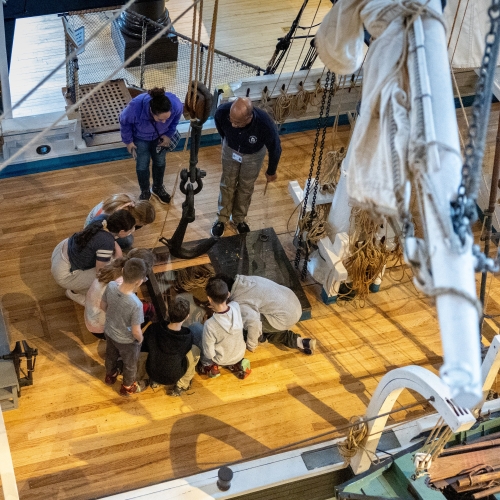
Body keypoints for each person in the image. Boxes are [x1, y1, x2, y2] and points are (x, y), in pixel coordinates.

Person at [211, 97, 282, 237]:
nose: (232, 124)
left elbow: (275, 148)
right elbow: (221, 128)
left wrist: (271, 170)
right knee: (227, 183)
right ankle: (222, 218)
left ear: (249, 117)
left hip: (253, 156)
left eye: (237, 122)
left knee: (246, 187)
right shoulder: (222, 112)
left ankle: (239, 219)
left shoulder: (264, 123)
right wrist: (228, 140)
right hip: (230, 150)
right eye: (231, 119)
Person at [216, 273, 317, 355]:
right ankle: (300, 342)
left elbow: (253, 324)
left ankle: (262, 337)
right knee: (261, 320)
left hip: (284, 317)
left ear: (228, 295)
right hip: (292, 302)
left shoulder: (240, 302)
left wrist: (251, 345)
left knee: (241, 322)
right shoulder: (244, 281)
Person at [51, 210, 136, 306]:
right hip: (63, 273)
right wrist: (118, 258)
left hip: (61, 249)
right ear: (121, 232)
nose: (130, 233)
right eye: (129, 231)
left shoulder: (103, 219)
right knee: (108, 276)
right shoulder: (106, 242)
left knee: (109, 262)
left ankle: (79, 288)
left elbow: (104, 241)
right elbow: (101, 272)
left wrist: (117, 249)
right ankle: (75, 293)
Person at [119, 87, 183, 203]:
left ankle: (158, 188)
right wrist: (128, 142)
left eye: (166, 118)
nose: (164, 122)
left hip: (161, 137)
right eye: (160, 119)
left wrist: (168, 134)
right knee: (142, 164)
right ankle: (145, 191)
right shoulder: (135, 107)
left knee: (160, 161)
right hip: (140, 138)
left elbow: (175, 121)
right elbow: (124, 122)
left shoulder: (176, 105)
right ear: (151, 112)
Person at [101, 258, 148, 397]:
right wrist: (140, 339)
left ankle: (110, 374)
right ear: (139, 282)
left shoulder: (110, 286)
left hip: (109, 331)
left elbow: (102, 306)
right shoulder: (136, 305)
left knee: (110, 355)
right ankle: (127, 386)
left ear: (122, 271)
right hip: (126, 341)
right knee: (130, 364)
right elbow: (136, 331)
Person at [84, 249, 155, 340]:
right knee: (149, 310)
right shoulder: (120, 288)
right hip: (99, 327)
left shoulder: (115, 265)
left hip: (91, 315)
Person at [140, 296, 200, 397]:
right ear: (187, 317)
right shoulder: (187, 336)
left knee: (147, 350)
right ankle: (182, 385)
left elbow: (144, 347)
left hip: (152, 371)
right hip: (175, 376)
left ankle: (152, 380)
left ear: (167, 312)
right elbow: (183, 354)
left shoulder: (153, 328)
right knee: (195, 350)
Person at [192, 278, 251, 379]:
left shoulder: (210, 324)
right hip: (239, 353)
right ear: (228, 294)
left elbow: (209, 353)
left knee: (195, 328)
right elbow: (229, 306)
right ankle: (236, 363)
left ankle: (209, 367)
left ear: (209, 299)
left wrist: (205, 324)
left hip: (220, 359)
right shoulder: (236, 306)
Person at [84, 193, 156, 249]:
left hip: (94, 222)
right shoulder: (120, 217)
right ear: (138, 220)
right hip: (92, 232)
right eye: (142, 224)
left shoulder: (129, 204)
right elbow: (110, 232)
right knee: (127, 241)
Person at [85, 258, 126, 340]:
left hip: (90, 317)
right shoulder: (114, 289)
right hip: (98, 329)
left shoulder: (108, 271)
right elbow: (103, 320)